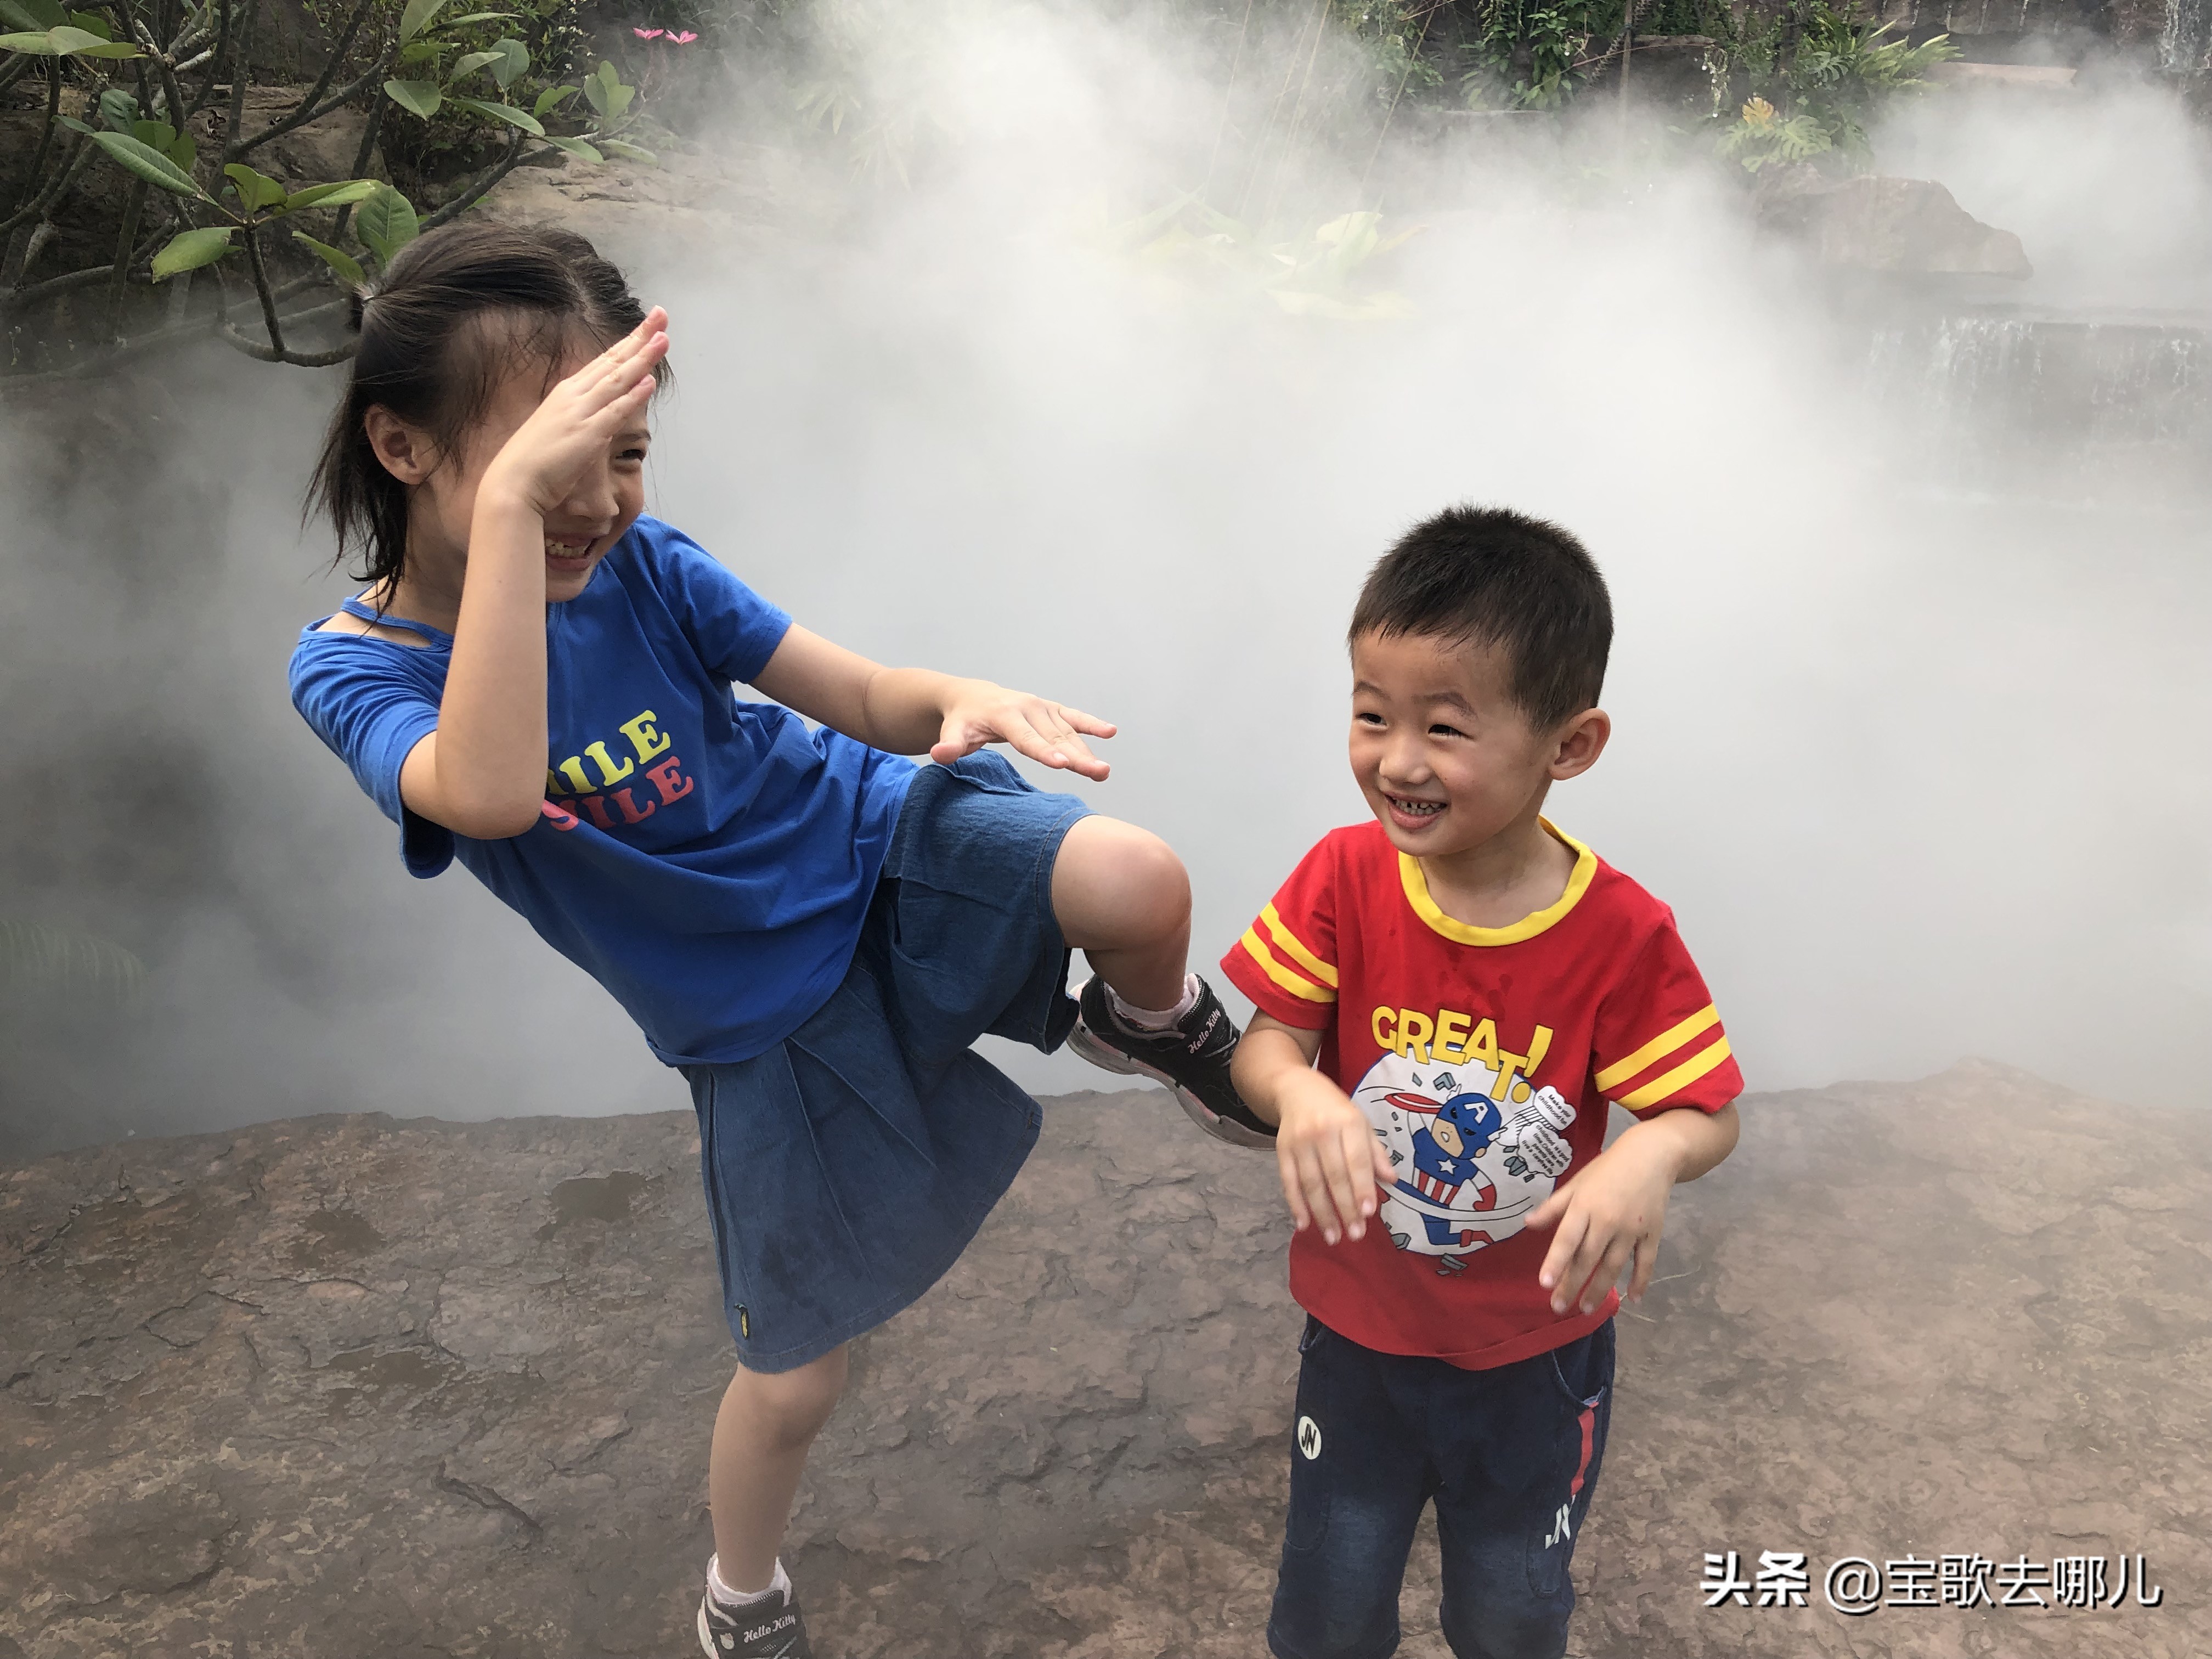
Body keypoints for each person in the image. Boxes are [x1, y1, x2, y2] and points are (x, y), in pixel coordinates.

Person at [287, 221, 1266, 1659]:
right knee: (800, 1383)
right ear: (403, 446)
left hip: (866, 842)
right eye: (558, 467)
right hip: (748, 1005)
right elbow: (488, 793)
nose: (602, 502)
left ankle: (1152, 1026)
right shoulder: (358, 669)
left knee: (1137, 880)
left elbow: (855, 690)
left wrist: (959, 695)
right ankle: (742, 1593)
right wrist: (511, 524)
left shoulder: (648, 567)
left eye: (627, 458)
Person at [1221, 505, 1743, 1659]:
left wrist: (1645, 1156)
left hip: (1534, 1352)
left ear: (1570, 744)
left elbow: (1703, 1107)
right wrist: (1302, 1094)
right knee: (1327, 1607)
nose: (1396, 761)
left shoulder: (1619, 930)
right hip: (1357, 1334)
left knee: (1510, 1613)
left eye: (1445, 729)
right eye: (1370, 715)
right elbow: (1263, 1045)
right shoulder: (1346, 875)